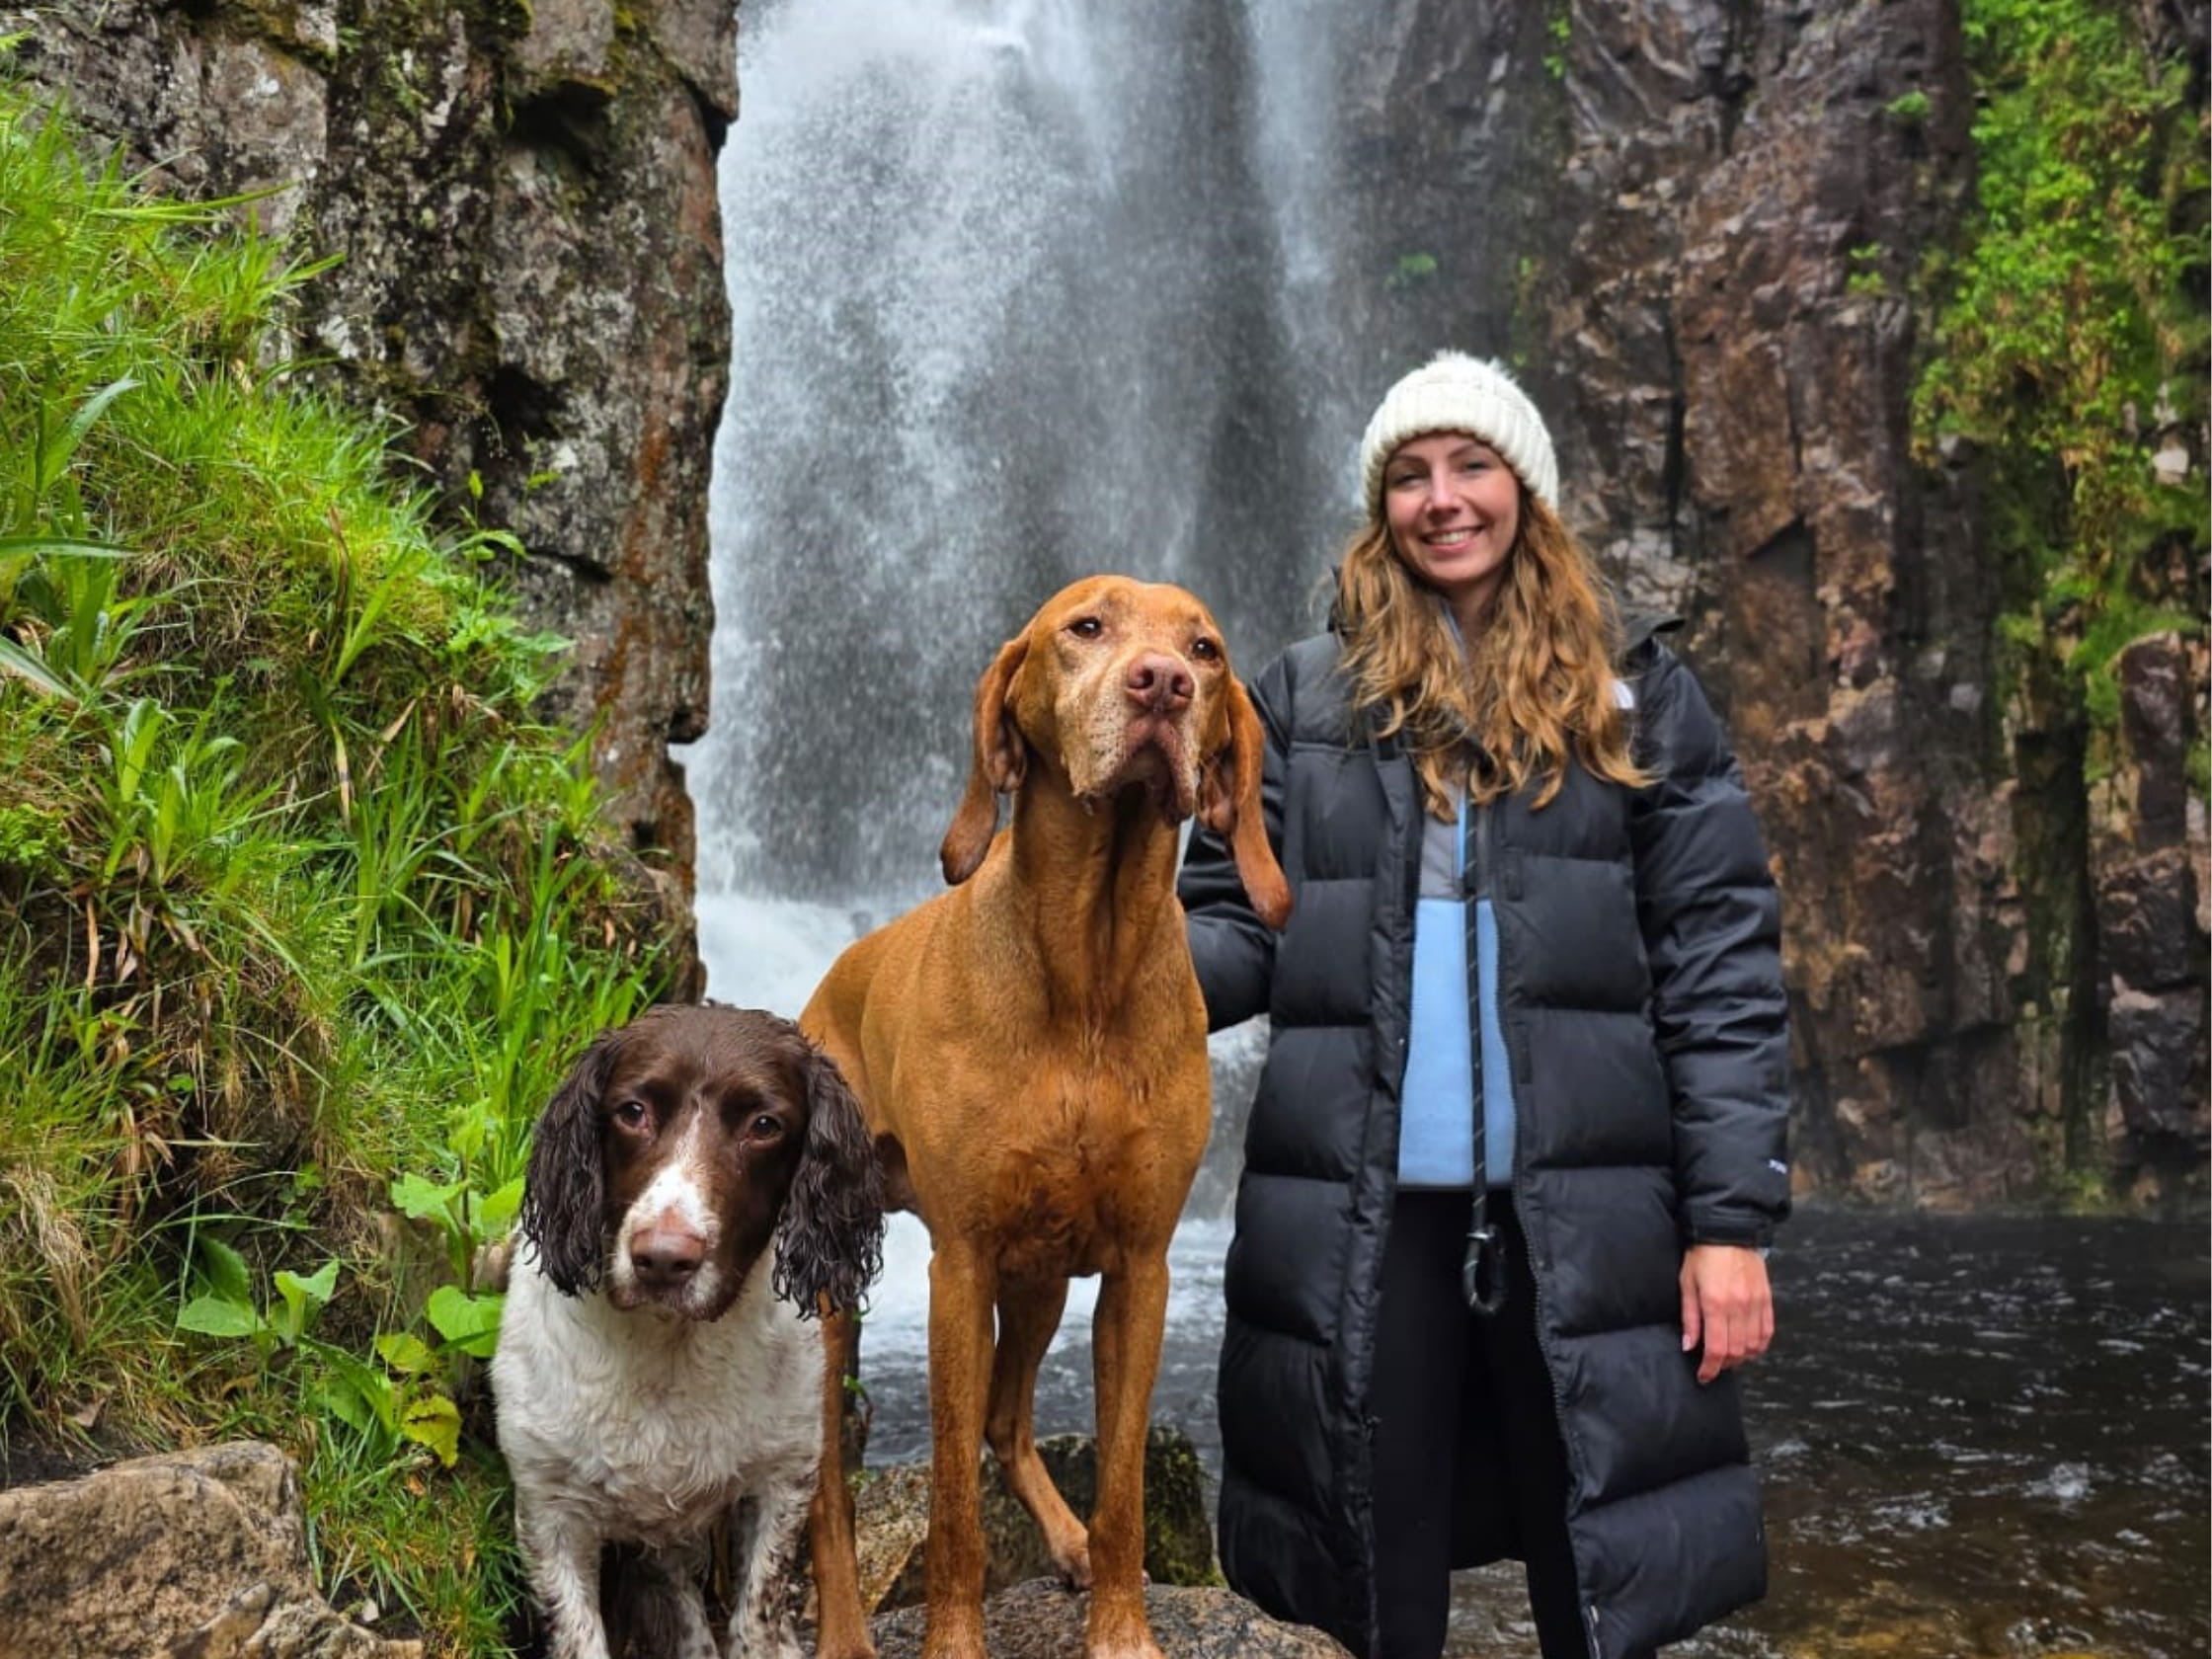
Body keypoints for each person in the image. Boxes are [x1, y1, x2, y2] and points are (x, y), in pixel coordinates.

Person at [1179, 351, 1789, 1659]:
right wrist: (1080, 960)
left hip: (1590, 1215)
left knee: (1600, 1581)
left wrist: (1731, 1227)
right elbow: (1234, 931)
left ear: (1527, 491)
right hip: (1360, 1217)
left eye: (1471, 467)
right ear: (1378, 506)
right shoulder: (1295, 700)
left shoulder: (1641, 696)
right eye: (1411, 475)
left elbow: (1718, 962)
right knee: (1369, 1577)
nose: (1442, 499)